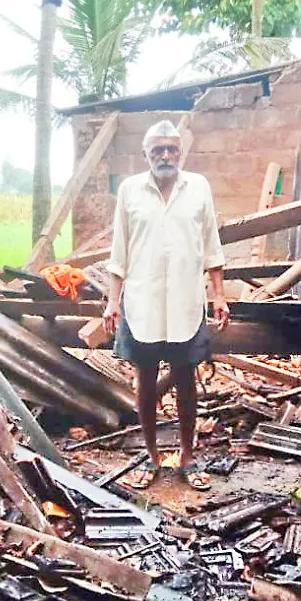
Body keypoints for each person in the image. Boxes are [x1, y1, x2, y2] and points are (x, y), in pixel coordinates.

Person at [103, 120, 229, 491]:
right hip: (142, 302)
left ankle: (188, 457)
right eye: (157, 149)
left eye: (171, 148)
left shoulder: (198, 188)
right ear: (146, 155)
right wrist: (112, 302)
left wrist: (218, 294)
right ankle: (152, 457)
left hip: (186, 302)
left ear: (180, 152)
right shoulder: (130, 190)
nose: (164, 155)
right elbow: (119, 252)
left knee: (186, 378)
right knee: (145, 380)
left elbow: (212, 246)